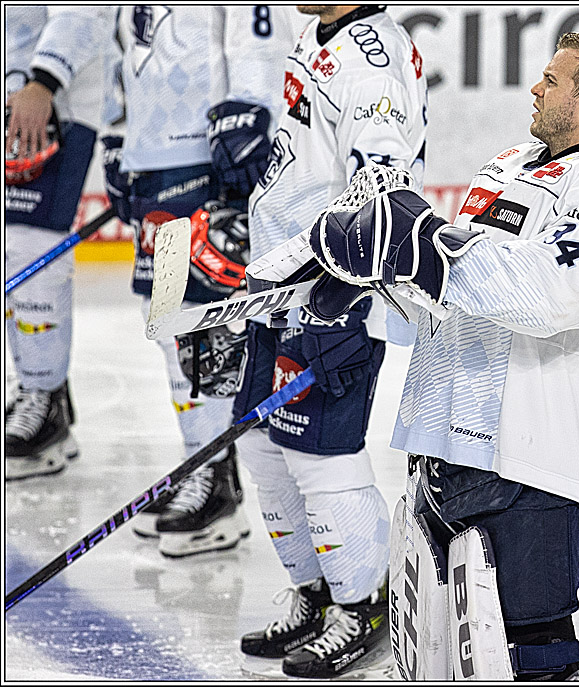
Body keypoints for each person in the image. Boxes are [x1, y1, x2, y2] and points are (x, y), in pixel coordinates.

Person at [305, 32, 579, 680]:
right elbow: (458, 292)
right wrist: (369, 299)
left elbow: (554, 294)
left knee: (535, 649)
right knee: (453, 660)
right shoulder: (509, 166)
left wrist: (427, 246)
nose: (536, 88)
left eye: (552, 80)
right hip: (449, 450)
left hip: (532, 465)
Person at [233, 5, 426, 680]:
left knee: (318, 453)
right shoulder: (319, 31)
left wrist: (327, 273)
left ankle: (361, 607)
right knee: (260, 441)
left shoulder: (373, 61)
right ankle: (316, 595)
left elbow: (380, 191)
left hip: (330, 290)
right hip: (278, 282)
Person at [105, 6, 301, 557]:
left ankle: (215, 480)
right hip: (158, 162)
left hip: (204, 154)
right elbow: (134, 51)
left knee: (204, 327)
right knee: (171, 321)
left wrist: (250, 109)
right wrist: (121, 136)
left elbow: (257, 31)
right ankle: (203, 462)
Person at [4, 7, 108, 480]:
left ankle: (43, 402)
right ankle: (40, 391)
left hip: (53, 99)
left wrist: (44, 79)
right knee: (13, 251)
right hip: (17, 91)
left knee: (33, 250)